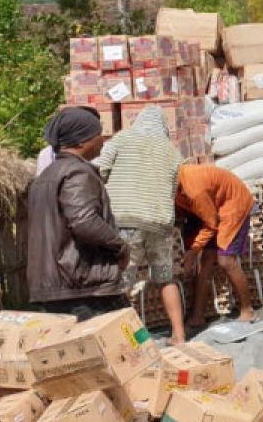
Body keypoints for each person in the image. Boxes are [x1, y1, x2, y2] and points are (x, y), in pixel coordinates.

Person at [27, 106, 130, 321]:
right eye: (98, 134)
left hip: (54, 288)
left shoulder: (45, 176)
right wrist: (120, 247)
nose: (103, 140)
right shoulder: (78, 172)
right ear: (82, 140)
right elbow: (84, 222)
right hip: (83, 289)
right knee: (124, 348)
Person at [97, 106, 186, 342]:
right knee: (166, 277)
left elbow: (100, 170)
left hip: (126, 219)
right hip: (160, 223)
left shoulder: (122, 138)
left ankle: (123, 340)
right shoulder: (172, 151)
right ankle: (178, 334)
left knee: (122, 281)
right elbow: (172, 189)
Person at [175, 164, 257, 327]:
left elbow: (211, 224)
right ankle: (198, 316)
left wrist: (193, 250)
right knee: (206, 261)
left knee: (225, 260)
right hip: (213, 206)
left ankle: (247, 309)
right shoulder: (176, 185)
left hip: (233, 205)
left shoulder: (194, 191)